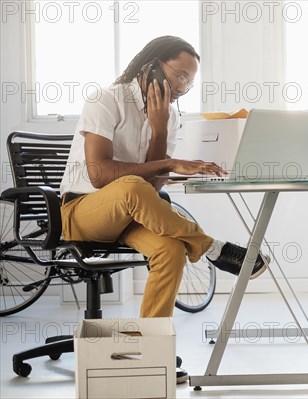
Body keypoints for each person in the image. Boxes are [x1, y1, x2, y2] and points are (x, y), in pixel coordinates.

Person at [59, 36, 269, 320]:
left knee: (170, 250)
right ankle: (211, 247)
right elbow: (99, 175)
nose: (182, 88)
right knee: (130, 185)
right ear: (154, 66)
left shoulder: (169, 117)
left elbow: (152, 189)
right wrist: (170, 162)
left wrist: (158, 131)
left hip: (129, 218)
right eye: (180, 76)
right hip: (82, 213)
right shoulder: (107, 100)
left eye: (189, 82)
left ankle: (149, 344)